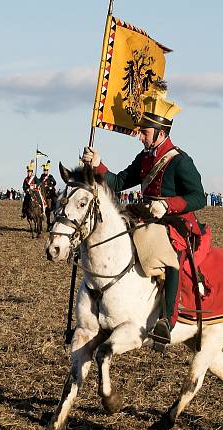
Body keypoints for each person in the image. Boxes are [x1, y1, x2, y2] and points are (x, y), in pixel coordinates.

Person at [81, 86, 205, 347]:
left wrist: (167, 205)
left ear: (161, 133)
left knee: (165, 254)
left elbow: (199, 197)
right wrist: (98, 165)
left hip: (174, 222)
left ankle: (166, 321)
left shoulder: (181, 161)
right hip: (145, 218)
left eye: (145, 133)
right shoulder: (145, 158)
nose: (140, 137)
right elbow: (117, 182)